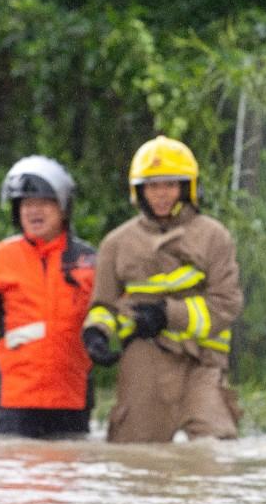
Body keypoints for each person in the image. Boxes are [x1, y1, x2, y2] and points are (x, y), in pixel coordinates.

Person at [82, 135, 243, 443]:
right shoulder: (117, 243)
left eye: (170, 184)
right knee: (135, 456)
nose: (161, 194)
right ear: (139, 190)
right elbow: (103, 304)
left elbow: (227, 305)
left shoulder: (214, 236)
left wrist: (167, 315)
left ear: (187, 187)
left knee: (215, 449)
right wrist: (97, 333)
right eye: (153, 186)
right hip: (144, 358)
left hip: (202, 361)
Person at [0, 156, 97, 438]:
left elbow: (112, 311)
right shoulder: (2, 258)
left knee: (70, 475)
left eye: (43, 203)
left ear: (63, 207)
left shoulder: (87, 261)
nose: (33, 211)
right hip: (17, 400)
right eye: (25, 204)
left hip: (72, 397)